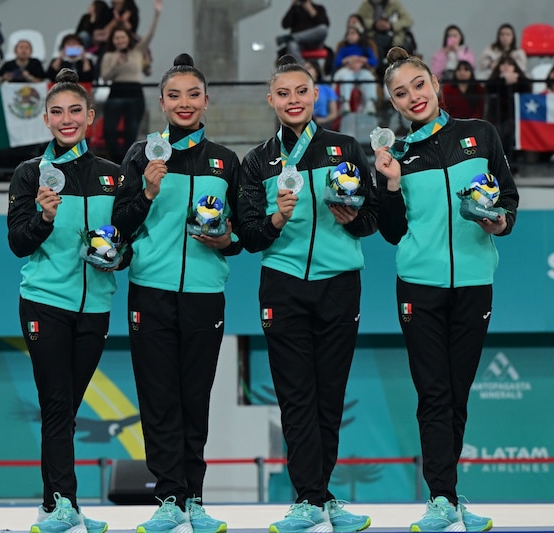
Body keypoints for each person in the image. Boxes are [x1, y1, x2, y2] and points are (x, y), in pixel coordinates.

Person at [374, 46, 518, 532]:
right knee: (434, 393)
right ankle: (440, 496)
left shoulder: (481, 134)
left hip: (475, 283)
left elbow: (508, 199)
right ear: (392, 103)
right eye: (400, 93)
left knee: (457, 395)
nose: (412, 96)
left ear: (434, 83)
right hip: (419, 287)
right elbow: (391, 230)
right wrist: (391, 184)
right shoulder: (398, 154)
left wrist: (501, 223)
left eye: (418, 85)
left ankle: (449, 496)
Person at [236, 54, 377, 533]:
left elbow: (373, 220)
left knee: (329, 396)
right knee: (296, 396)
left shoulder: (345, 147)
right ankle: (308, 498)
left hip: (340, 285)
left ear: (316, 95)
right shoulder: (257, 161)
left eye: (301, 91)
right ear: (271, 99)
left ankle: (323, 495)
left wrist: (353, 218)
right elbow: (250, 236)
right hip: (283, 284)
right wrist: (276, 217)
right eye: (283, 93)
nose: (293, 100)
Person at [111, 53, 239, 533]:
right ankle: (168, 497)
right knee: (158, 397)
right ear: (161, 102)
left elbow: (242, 235)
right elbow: (119, 226)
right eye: (174, 95)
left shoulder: (226, 162)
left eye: (193, 94)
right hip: (150, 291)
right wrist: (144, 191)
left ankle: (196, 498)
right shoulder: (141, 154)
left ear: (207, 101)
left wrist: (227, 239)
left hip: (205, 292)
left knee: (194, 398)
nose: (184, 103)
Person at [8, 67, 123, 533]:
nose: (67, 118)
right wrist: (42, 217)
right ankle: (63, 504)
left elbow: (126, 244)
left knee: (67, 409)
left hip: (95, 307)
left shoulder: (113, 177)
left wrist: (116, 253)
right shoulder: (30, 173)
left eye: (75, 110)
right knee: (57, 405)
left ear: (90, 116)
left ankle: (54, 504)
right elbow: (18, 242)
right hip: (44, 303)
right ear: (46, 119)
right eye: (57, 111)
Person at [100, 0, 162, 163]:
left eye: (122, 37)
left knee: (131, 131)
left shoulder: (137, 51)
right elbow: (105, 77)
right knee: (109, 131)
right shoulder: (109, 56)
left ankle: (127, 164)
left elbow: (151, 33)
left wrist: (157, 13)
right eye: (117, 38)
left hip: (135, 94)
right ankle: (115, 161)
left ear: (128, 38)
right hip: (116, 93)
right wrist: (115, 65)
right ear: (113, 40)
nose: (120, 40)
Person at [484, 54, 531, 174]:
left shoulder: (521, 80)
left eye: (509, 64)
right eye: (503, 64)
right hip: (497, 118)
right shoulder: (495, 80)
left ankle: (515, 168)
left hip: (517, 119)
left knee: (513, 141)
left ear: (514, 67)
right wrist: (503, 80)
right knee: (500, 141)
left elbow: (528, 88)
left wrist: (517, 79)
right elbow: (488, 87)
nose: (506, 67)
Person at [332, 24, 379, 114]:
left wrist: (361, 60)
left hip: (361, 70)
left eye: (353, 33)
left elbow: (374, 62)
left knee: (369, 78)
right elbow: (337, 62)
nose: (350, 36)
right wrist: (347, 60)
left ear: (359, 35)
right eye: (349, 34)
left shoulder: (365, 47)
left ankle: (370, 103)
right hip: (347, 69)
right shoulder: (344, 48)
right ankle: (345, 104)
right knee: (346, 79)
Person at [304, 59, 339, 129]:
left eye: (309, 68)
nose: (306, 70)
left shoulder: (327, 89)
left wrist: (321, 120)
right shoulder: (298, 90)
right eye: (304, 69)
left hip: (322, 123)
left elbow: (334, 113)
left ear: (316, 71)